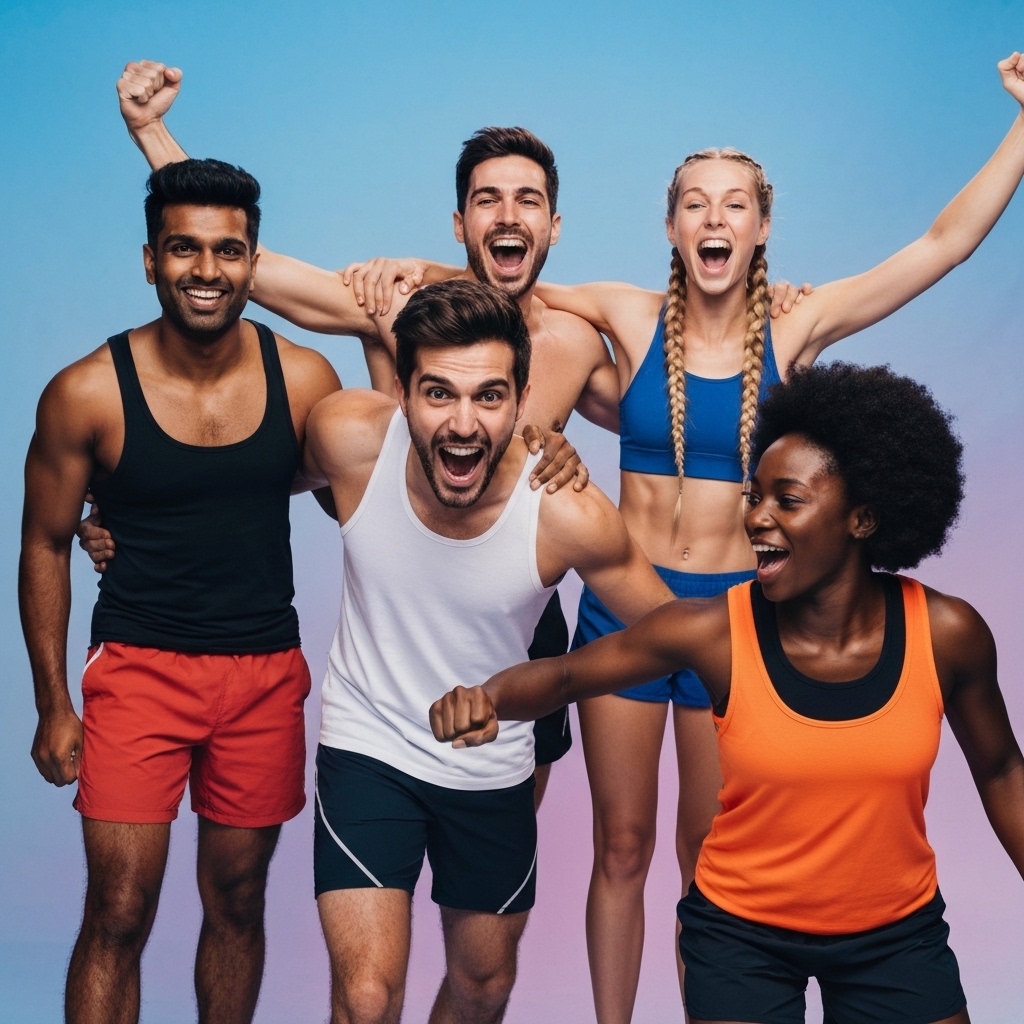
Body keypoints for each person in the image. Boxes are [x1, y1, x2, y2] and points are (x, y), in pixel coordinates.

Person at [430, 49, 1024, 1022]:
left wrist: (1022, 122)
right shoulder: (627, 312)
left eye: (734, 203)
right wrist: (386, 276)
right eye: (695, 202)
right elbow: (501, 283)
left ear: (760, 227)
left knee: (708, 854)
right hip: (624, 617)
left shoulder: (799, 326)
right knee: (619, 847)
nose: (713, 218)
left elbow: (940, 245)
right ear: (671, 224)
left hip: (736, 628)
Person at [432, 361, 1024, 1024]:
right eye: (754, 496)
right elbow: (571, 676)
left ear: (861, 517)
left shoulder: (946, 634)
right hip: (742, 936)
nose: (756, 519)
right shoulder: (714, 632)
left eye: (787, 500)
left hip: (894, 933)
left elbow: (1002, 769)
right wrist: (487, 697)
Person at [301, 278, 676, 1024]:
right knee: (367, 997)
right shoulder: (347, 438)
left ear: (522, 395)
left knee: (483, 985)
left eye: (490, 397)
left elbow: (672, 635)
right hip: (368, 741)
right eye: (438, 394)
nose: (463, 424)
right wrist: (118, 521)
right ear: (402, 390)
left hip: (491, 767)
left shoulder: (566, 512)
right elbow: (240, 486)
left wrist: (555, 682)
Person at [20, 159, 343, 1024]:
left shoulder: (307, 380)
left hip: (264, 673)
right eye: (184, 250)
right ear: (150, 259)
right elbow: (46, 544)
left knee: (237, 902)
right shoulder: (86, 392)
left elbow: (376, 508)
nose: (207, 271)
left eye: (228, 251)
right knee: (119, 912)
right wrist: (54, 704)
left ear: (252, 258)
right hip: (137, 670)